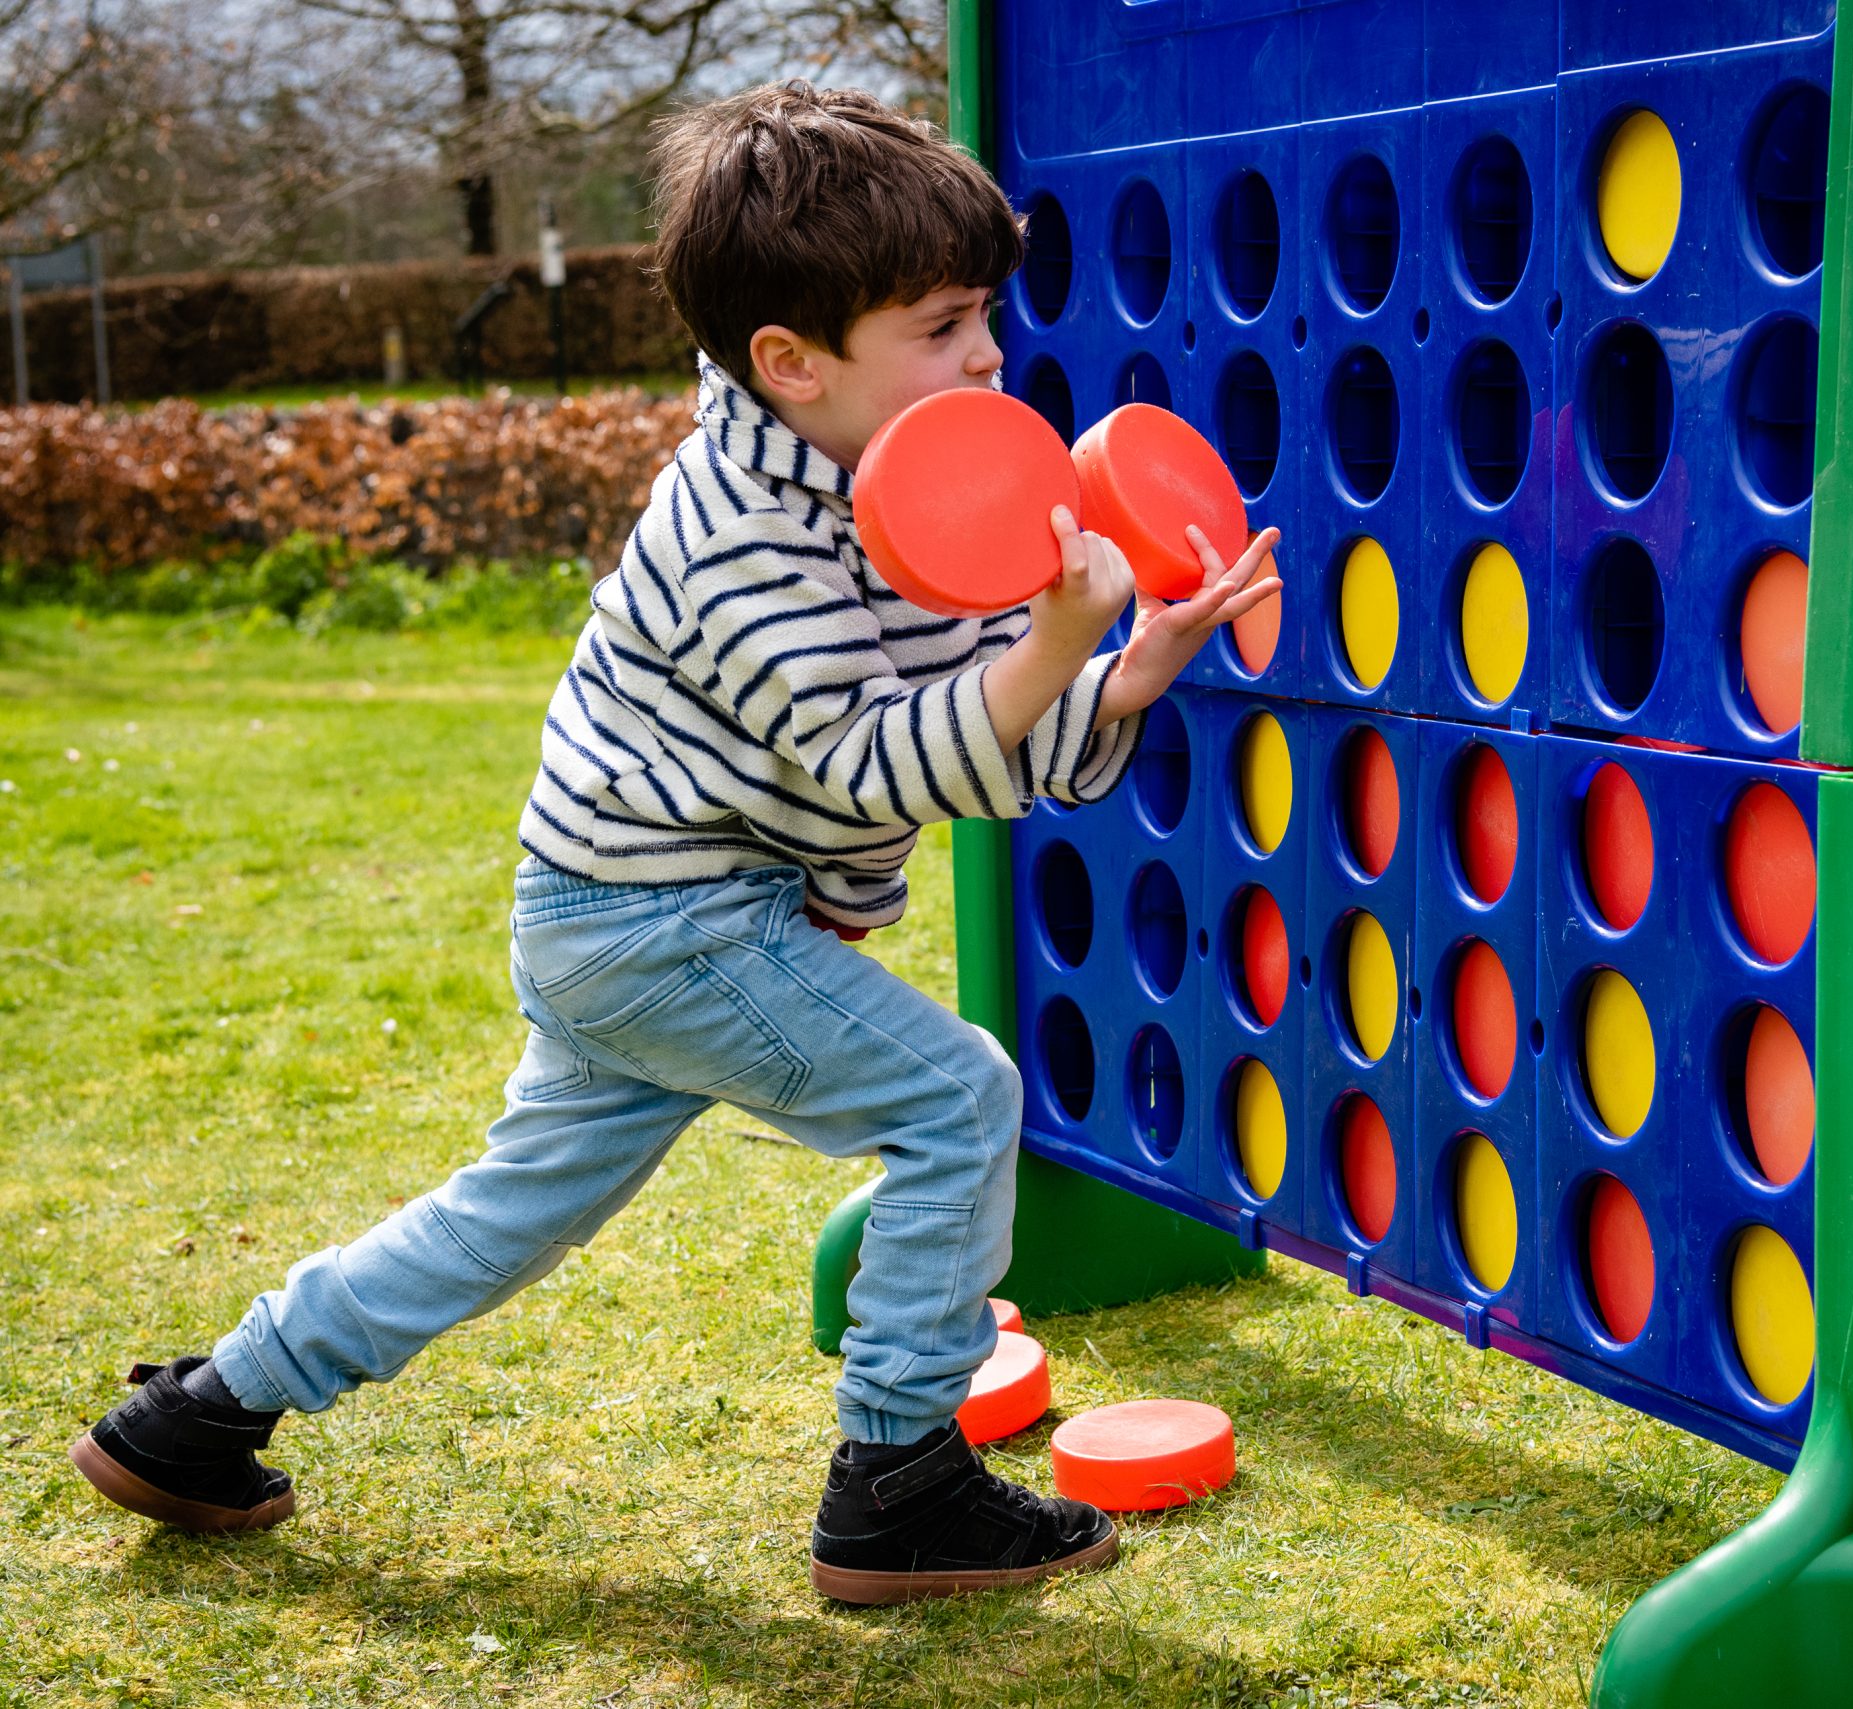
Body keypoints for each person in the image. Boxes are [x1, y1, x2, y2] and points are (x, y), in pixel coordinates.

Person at [67, 81, 1280, 1604]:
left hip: (644, 914)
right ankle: (900, 1485)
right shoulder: (738, 539)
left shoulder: (901, 486)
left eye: (986, 314)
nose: (989, 354)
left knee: (511, 1207)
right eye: (943, 324)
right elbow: (878, 756)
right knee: (955, 1095)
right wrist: (1049, 644)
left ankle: (198, 1414)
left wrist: (1119, 673)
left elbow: (976, 733)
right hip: (660, 916)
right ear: (790, 363)